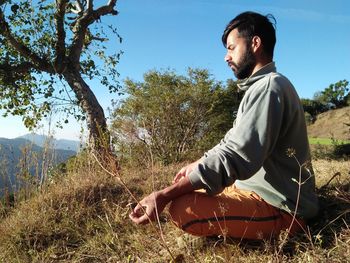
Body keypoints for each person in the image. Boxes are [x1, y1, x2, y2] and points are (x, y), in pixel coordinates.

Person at [129, 11, 319, 240]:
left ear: (255, 43)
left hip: (282, 206)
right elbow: (231, 141)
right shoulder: (262, 87)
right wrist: (198, 163)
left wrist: (163, 195)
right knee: (189, 184)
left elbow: (237, 156)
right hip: (251, 189)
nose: (226, 57)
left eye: (231, 48)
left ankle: (283, 224)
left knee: (182, 209)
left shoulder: (269, 88)